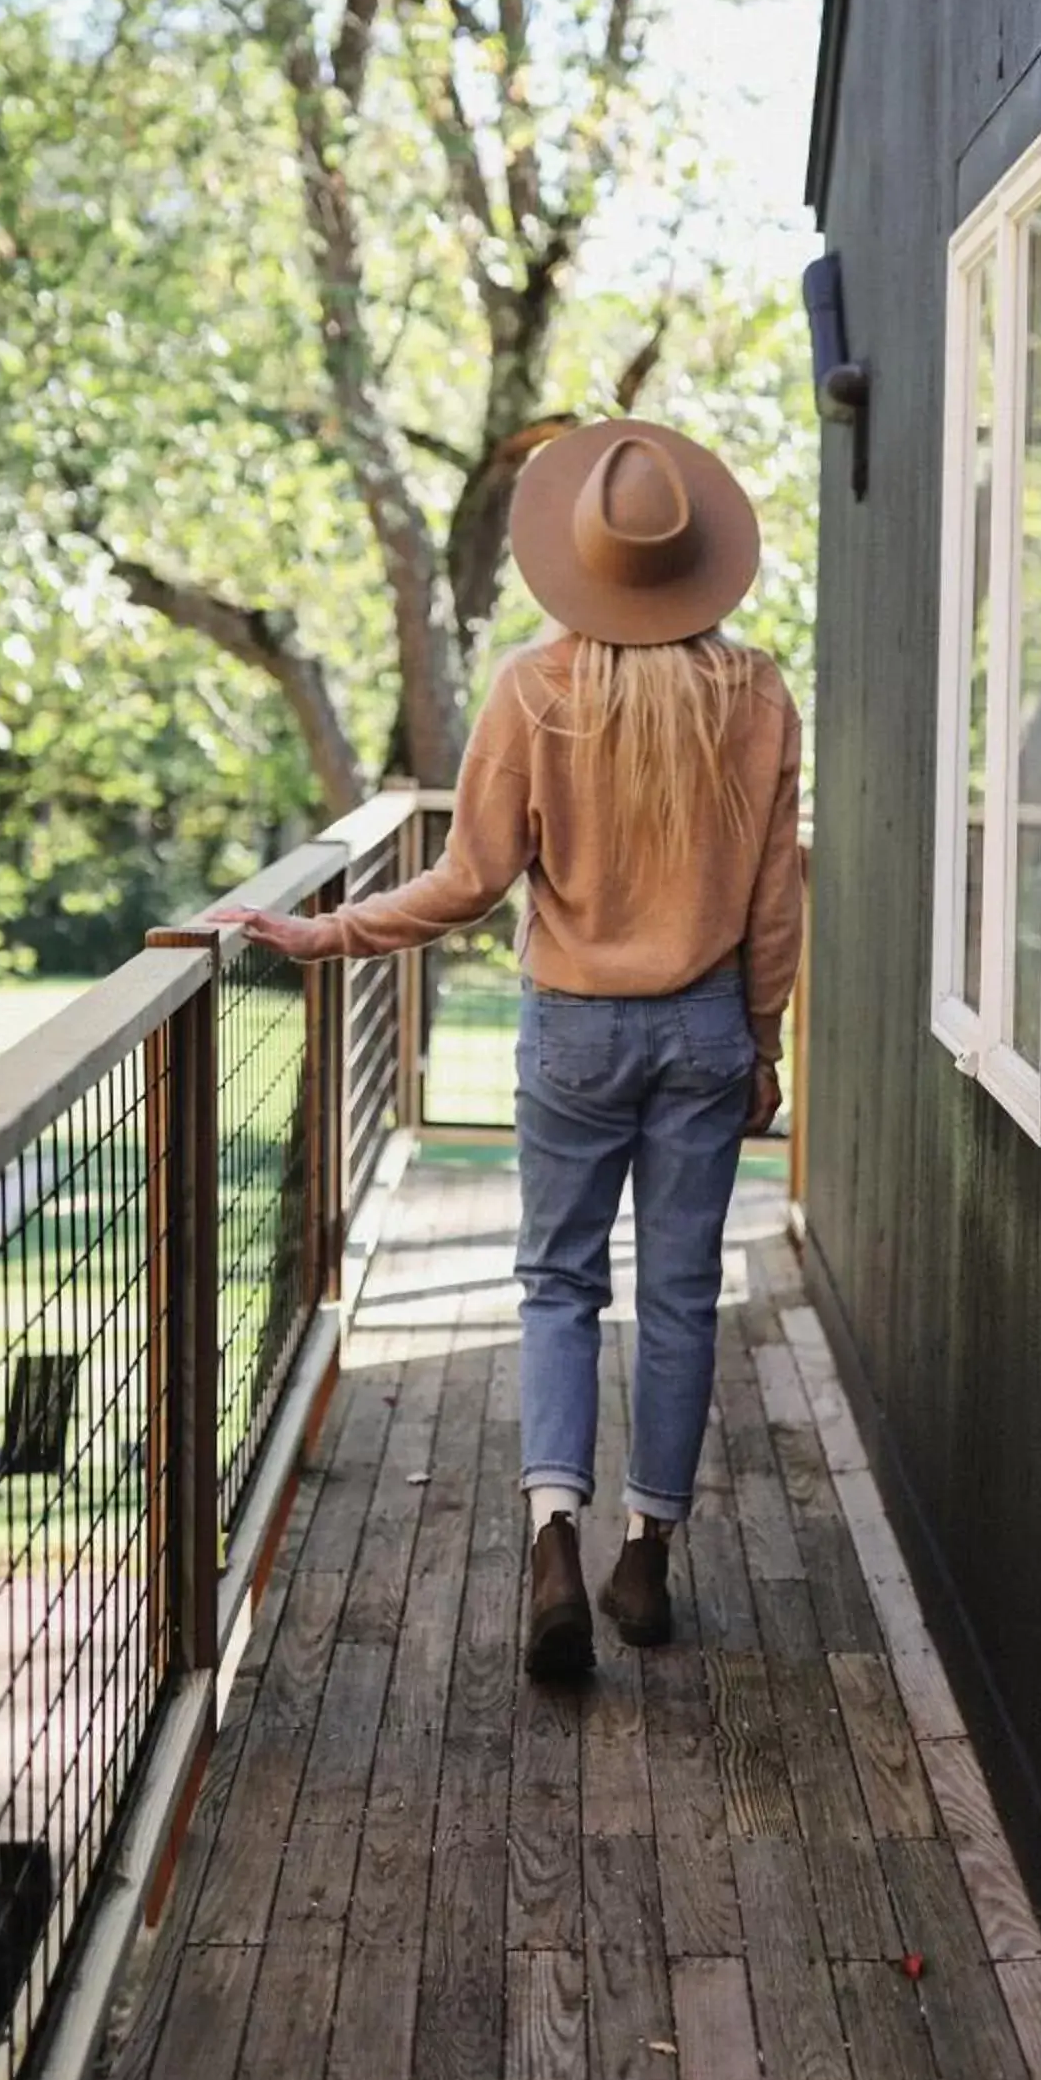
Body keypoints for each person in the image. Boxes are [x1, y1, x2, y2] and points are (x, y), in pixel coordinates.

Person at [218, 419, 803, 1682]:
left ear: (579, 562)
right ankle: (646, 1551)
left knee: (558, 1285)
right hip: (703, 1029)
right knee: (684, 1294)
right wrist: (761, 1041)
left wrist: (321, 936)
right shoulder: (754, 694)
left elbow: (466, 883)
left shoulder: (535, 690)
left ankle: (552, 1531)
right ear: (696, 559)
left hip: (575, 1038)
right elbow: (772, 902)